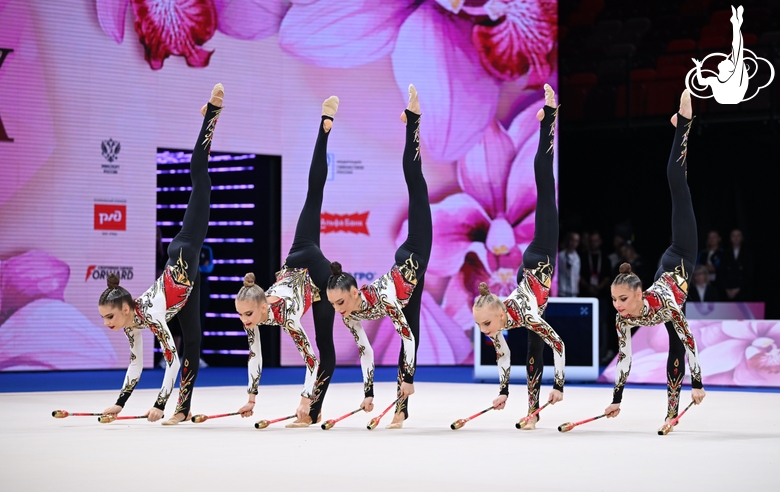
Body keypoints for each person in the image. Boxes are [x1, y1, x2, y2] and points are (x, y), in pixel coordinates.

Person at [98, 83, 224, 425]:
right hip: (185, 285)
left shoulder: (151, 314)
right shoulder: (132, 323)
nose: (108, 324)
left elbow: (170, 361)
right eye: (106, 319)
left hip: (185, 251)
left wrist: (158, 403)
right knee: (193, 342)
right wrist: (119, 404)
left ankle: (212, 114)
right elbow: (136, 363)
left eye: (110, 317)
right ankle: (183, 409)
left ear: (125, 309)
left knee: (201, 177)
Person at [326, 84, 431, 429]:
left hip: (414, 252)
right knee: (409, 328)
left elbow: (409, 340)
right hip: (406, 285)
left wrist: (410, 377)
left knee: (416, 183)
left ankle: (413, 121)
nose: (338, 311)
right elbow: (366, 352)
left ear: (354, 293)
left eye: (340, 303)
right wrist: (369, 391)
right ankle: (400, 411)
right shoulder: (350, 314)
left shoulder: (382, 300)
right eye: (335, 305)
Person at [234, 97, 339, 427]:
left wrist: (304, 397)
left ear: (264, 306)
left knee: (313, 194)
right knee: (326, 347)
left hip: (314, 270)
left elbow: (310, 361)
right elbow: (255, 355)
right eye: (241, 316)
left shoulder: (287, 316)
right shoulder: (255, 316)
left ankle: (324, 129)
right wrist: (251, 397)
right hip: (295, 258)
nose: (245, 322)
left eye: (248, 315)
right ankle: (313, 412)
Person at [606, 89, 706, 432]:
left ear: (637, 295)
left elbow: (689, 342)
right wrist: (616, 399)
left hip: (682, 252)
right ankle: (671, 415)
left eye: (622, 300)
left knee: (677, 182)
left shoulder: (664, 306)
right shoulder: (624, 320)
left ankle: (686, 125)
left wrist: (698, 382)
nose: (618, 306)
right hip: (669, 268)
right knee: (673, 346)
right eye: (615, 300)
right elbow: (625, 359)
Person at [472, 84, 565, 431]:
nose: (485, 331)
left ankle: (549, 118)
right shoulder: (498, 325)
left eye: (485, 325)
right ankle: (533, 413)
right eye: (482, 326)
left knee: (544, 182)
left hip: (541, 250)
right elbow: (505, 358)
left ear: (496, 313)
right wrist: (502, 392)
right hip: (532, 270)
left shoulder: (517, 313)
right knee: (532, 351)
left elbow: (559, 342)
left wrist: (559, 385)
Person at [691, 6, 748, 104]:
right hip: (723, 101)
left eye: (727, 61)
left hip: (733, 98)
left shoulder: (735, 77)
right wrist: (698, 67)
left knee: (737, 52)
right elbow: (700, 82)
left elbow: (737, 47)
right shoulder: (714, 80)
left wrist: (736, 25)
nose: (725, 59)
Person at [720, 228, 754, 301]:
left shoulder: (748, 253)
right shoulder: (725, 253)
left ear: (742, 238)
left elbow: (749, 273)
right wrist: (727, 289)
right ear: (730, 238)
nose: (736, 238)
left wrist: (738, 288)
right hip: (727, 292)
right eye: (733, 236)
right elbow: (721, 272)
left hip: (743, 291)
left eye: (738, 235)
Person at [557, 232, 580, 297]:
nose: (574, 243)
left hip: (574, 292)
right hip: (562, 291)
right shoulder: (561, 256)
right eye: (572, 240)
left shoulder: (578, 257)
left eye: (576, 241)